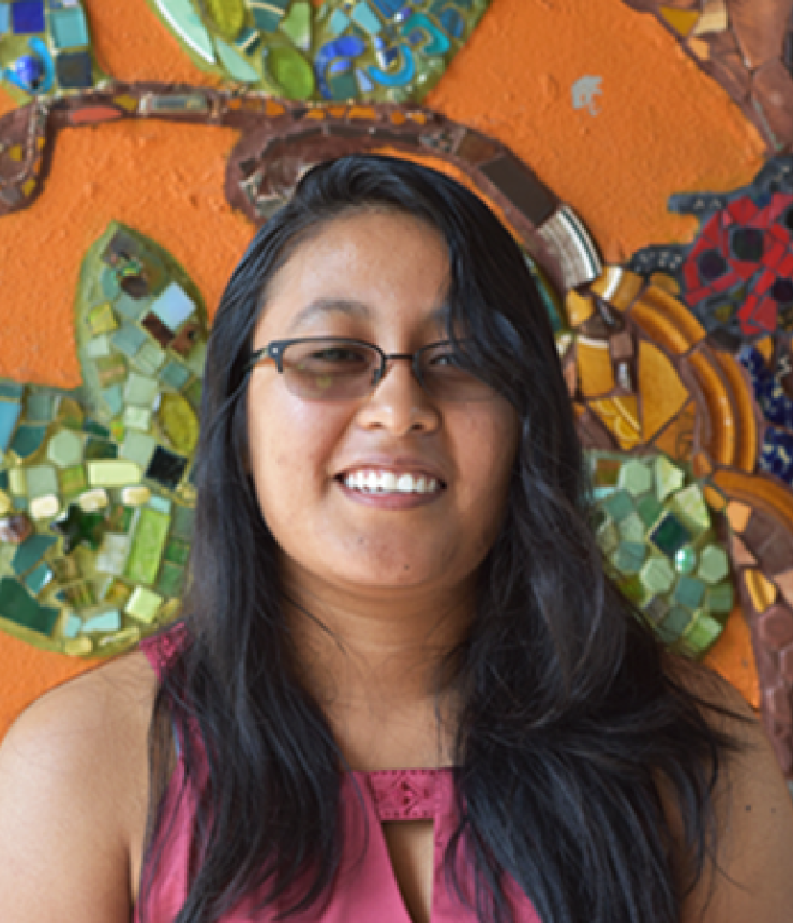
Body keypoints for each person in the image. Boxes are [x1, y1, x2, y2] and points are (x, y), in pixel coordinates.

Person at [0, 154, 792, 923]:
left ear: (526, 422)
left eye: (462, 359)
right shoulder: (82, 768)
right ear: (238, 420)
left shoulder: (693, 755)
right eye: (332, 356)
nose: (399, 407)